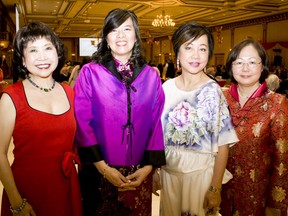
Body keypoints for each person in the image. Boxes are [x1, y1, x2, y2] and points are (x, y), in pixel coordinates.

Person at [73, 8, 166, 216]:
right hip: (99, 172)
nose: (121, 36)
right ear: (106, 37)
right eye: (114, 30)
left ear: (136, 35)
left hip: (139, 172)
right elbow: (81, 122)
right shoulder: (90, 72)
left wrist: (148, 168)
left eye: (127, 29)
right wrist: (104, 169)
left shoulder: (151, 76)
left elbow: (156, 123)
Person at [0, 22, 82, 216]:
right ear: (22, 59)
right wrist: (17, 201)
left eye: (48, 48)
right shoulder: (11, 96)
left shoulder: (70, 93)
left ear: (58, 53)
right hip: (27, 191)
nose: (42, 57)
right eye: (33, 50)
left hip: (66, 186)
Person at [159, 22, 238, 216]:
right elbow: (156, 136)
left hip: (200, 178)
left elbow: (223, 144)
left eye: (202, 49)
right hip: (169, 178)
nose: (196, 55)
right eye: (189, 47)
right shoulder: (165, 89)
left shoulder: (213, 91)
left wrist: (215, 189)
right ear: (177, 53)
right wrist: (155, 172)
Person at [220, 39, 288, 216]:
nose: (245, 68)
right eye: (239, 62)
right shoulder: (220, 99)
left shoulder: (276, 103)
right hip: (221, 192)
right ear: (230, 66)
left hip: (257, 196)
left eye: (252, 62)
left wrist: (276, 203)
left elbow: (283, 159)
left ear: (262, 66)